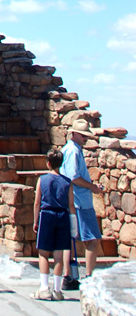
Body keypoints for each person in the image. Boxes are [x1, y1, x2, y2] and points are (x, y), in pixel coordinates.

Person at [61, 120, 105, 287]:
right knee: (92, 239)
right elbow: (74, 177)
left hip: (72, 201)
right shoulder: (73, 152)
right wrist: (92, 187)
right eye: (83, 135)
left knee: (71, 240)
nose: (85, 139)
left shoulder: (67, 150)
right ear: (74, 134)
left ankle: (68, 276)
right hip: (80, 202)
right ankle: (88, 277)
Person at [32, 147, 77, 301]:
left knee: (43, 253)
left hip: (47, 215)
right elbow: (71, 205)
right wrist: (74, 225)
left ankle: (44, 288)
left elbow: (37, 202)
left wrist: (35, 221)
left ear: (48, 163)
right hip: (63, 215)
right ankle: (57, 290)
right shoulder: (67, 182)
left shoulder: (42, 179)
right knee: (59, 255)